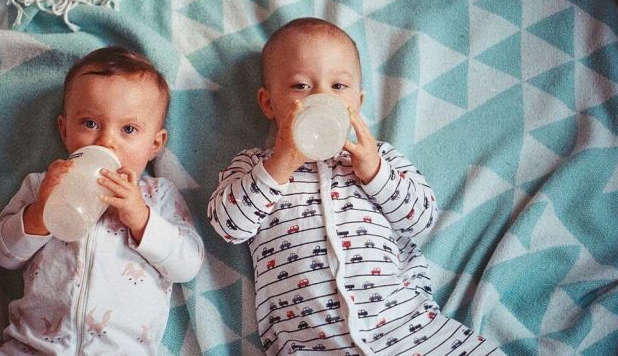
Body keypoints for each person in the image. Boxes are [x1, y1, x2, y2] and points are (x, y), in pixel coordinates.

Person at [207, 18, 501, 355]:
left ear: (357, 103)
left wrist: (375, 173)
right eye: (301, 86)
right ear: (269, 103)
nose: (320, 97)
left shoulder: (379, 159)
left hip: (408, 329)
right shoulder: (254, 166)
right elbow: (229, 226)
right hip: (311, 343)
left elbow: (421, 219)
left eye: (338, 87)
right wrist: (281, 163)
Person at [0, 46, 204, 355]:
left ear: (154, 144)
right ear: (65, 130)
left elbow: (188, 265)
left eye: (128, 129)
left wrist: (140, 218)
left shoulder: (158, 196)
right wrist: (39, 213)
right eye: (90, 123)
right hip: (31, 345)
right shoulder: (42, 185)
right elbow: (2, 254)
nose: (106, 141)